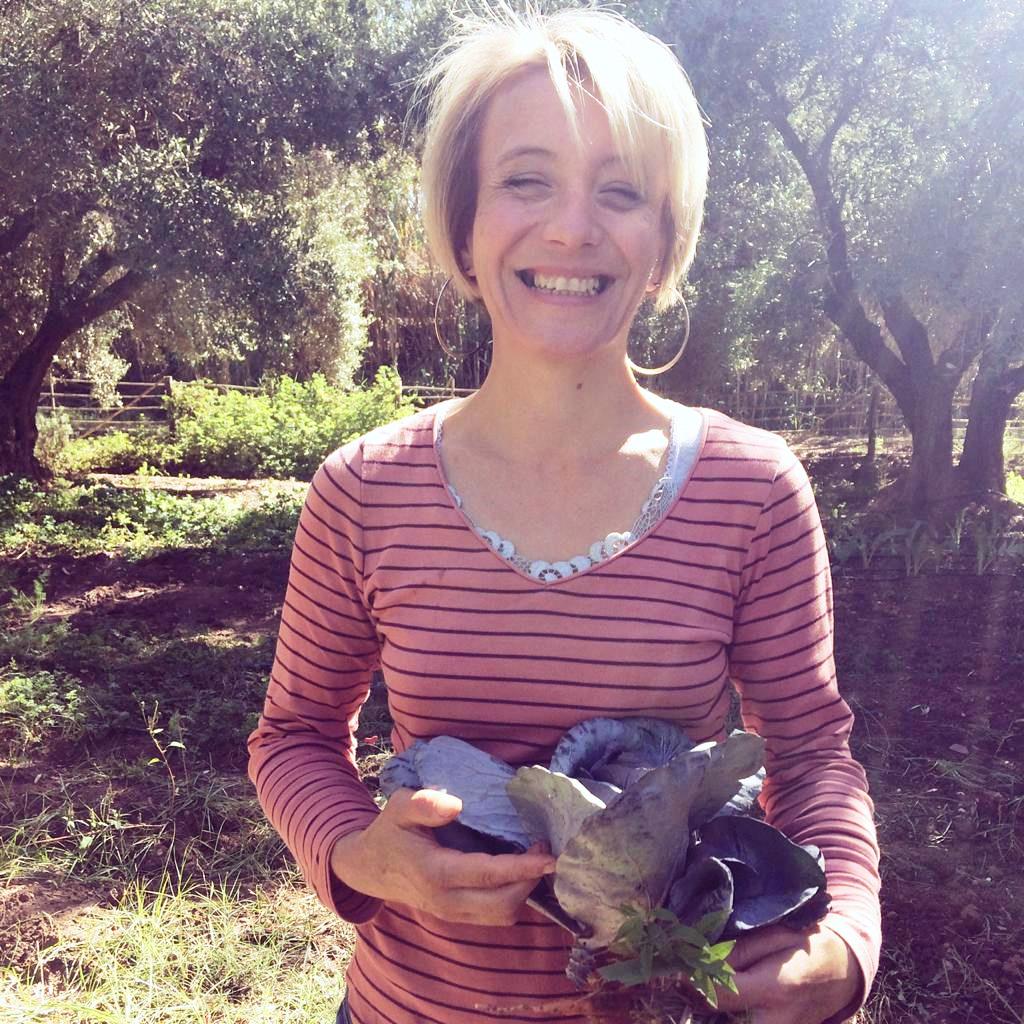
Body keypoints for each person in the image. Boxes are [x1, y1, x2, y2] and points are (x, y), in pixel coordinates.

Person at [247, 7, 881, 1024]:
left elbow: (808, 754)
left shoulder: (752, 489)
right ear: (463, 221)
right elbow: (294, 736)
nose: (572, 228)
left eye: (620, 191)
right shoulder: (362, 490)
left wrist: (844, 941)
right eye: (526, 179)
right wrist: (360, 855)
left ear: (666, 240)